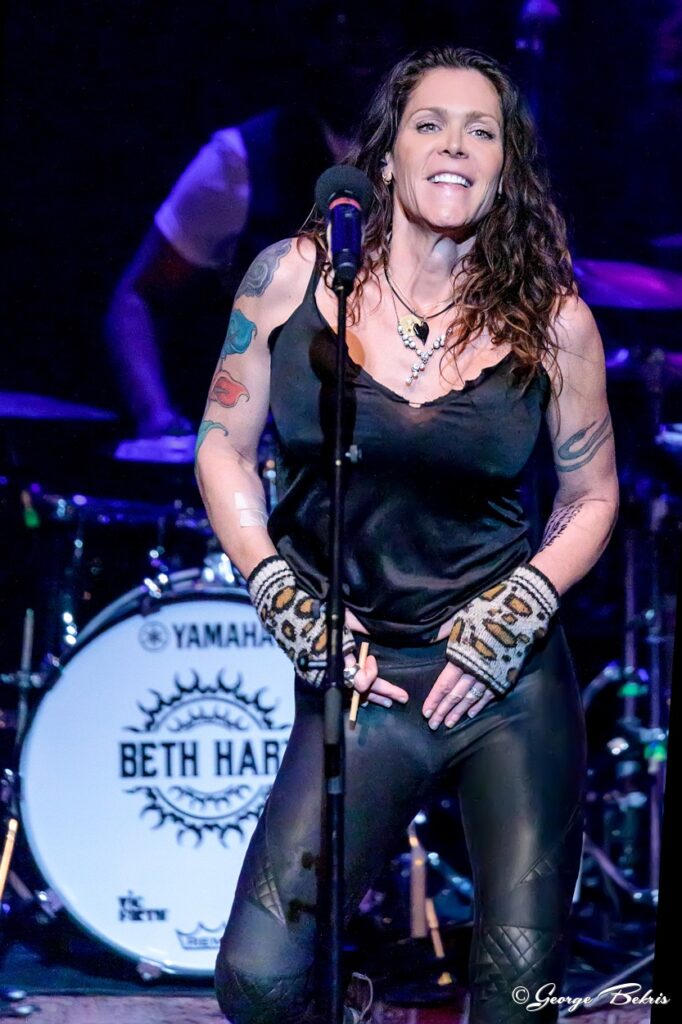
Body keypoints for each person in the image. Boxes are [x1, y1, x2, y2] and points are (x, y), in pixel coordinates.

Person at [195, 46, 619, 1024]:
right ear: (386, 156)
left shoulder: (555, 321)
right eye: (431, 124)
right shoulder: (291, 278)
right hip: (362, 677)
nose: (456, 146)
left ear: (506, 167)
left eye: (482, 131)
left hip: (504, 684)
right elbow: (221, 447)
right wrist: (277, 589)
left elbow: (591, 494)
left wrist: (523, 604)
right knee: (261, 984)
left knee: (518, 998)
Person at [105, 6, 404, 439]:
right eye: (344, 25)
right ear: (314, 41)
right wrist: (158, 419)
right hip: (260, 445)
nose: (363, 45)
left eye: (377, 27)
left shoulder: (428, 163)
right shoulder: (242, 160)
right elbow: (139, 298)